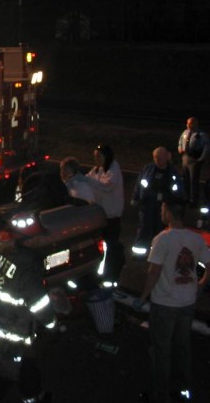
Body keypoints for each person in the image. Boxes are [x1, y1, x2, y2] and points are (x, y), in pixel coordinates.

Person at [133, 199, 210, 403]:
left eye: (162, 209)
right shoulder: (196, 239)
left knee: (162, 350)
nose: (160, 212)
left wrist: (142, 297)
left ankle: (162, 394)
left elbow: (154, 272)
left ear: (168, 212)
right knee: (183, 346)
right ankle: (183, 388)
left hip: (165, 304)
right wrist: (200, 284)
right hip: (187, 302)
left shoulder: (162, 239)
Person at [0, 221, 57, 403]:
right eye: (38, 237)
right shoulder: (28, 266)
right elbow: (39, 304)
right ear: (29, 240)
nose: (41, 240)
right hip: (14, 333)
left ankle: (34, 396)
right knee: (3, 374)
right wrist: (52, 324)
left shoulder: (2, 252)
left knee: (26, 365)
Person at [131, 147, 185, 258]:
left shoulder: (172, 172)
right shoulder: (147, 169)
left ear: (166, 157)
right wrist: (136, 198)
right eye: (156, 157)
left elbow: (178, 190)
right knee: (144, 228)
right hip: (147, 204)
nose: (158, 160)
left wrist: (176, 201)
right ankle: (139, 254)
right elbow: (139, 185)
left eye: (160, 157)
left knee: (160, 231)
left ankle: (158, 254)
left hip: (164, 206)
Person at [86, 144, 125, 288]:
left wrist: (87, 181)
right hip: (100, 215)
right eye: (95, 156)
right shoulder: (97, 170)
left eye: (99, 156)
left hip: (111, 216)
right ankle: (100, 274)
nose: (96, 159)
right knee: (100, 246)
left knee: (111, 246)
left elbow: (106, 186)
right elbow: (87, 179)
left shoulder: (113, 169)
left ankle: (110, 276)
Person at [177, 116, 210, 207]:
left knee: (193, 180)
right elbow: (180, 142)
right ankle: (186, 197)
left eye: (191, 123)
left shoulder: (201, 135)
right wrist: (180, 149)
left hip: (194, 159)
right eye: (187, 123)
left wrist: (201, 159)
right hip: (185, 157)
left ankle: (193, 200)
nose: (188, 125)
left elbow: (206, 147)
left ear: (196, 124)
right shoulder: (185, 132)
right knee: (185, 179)